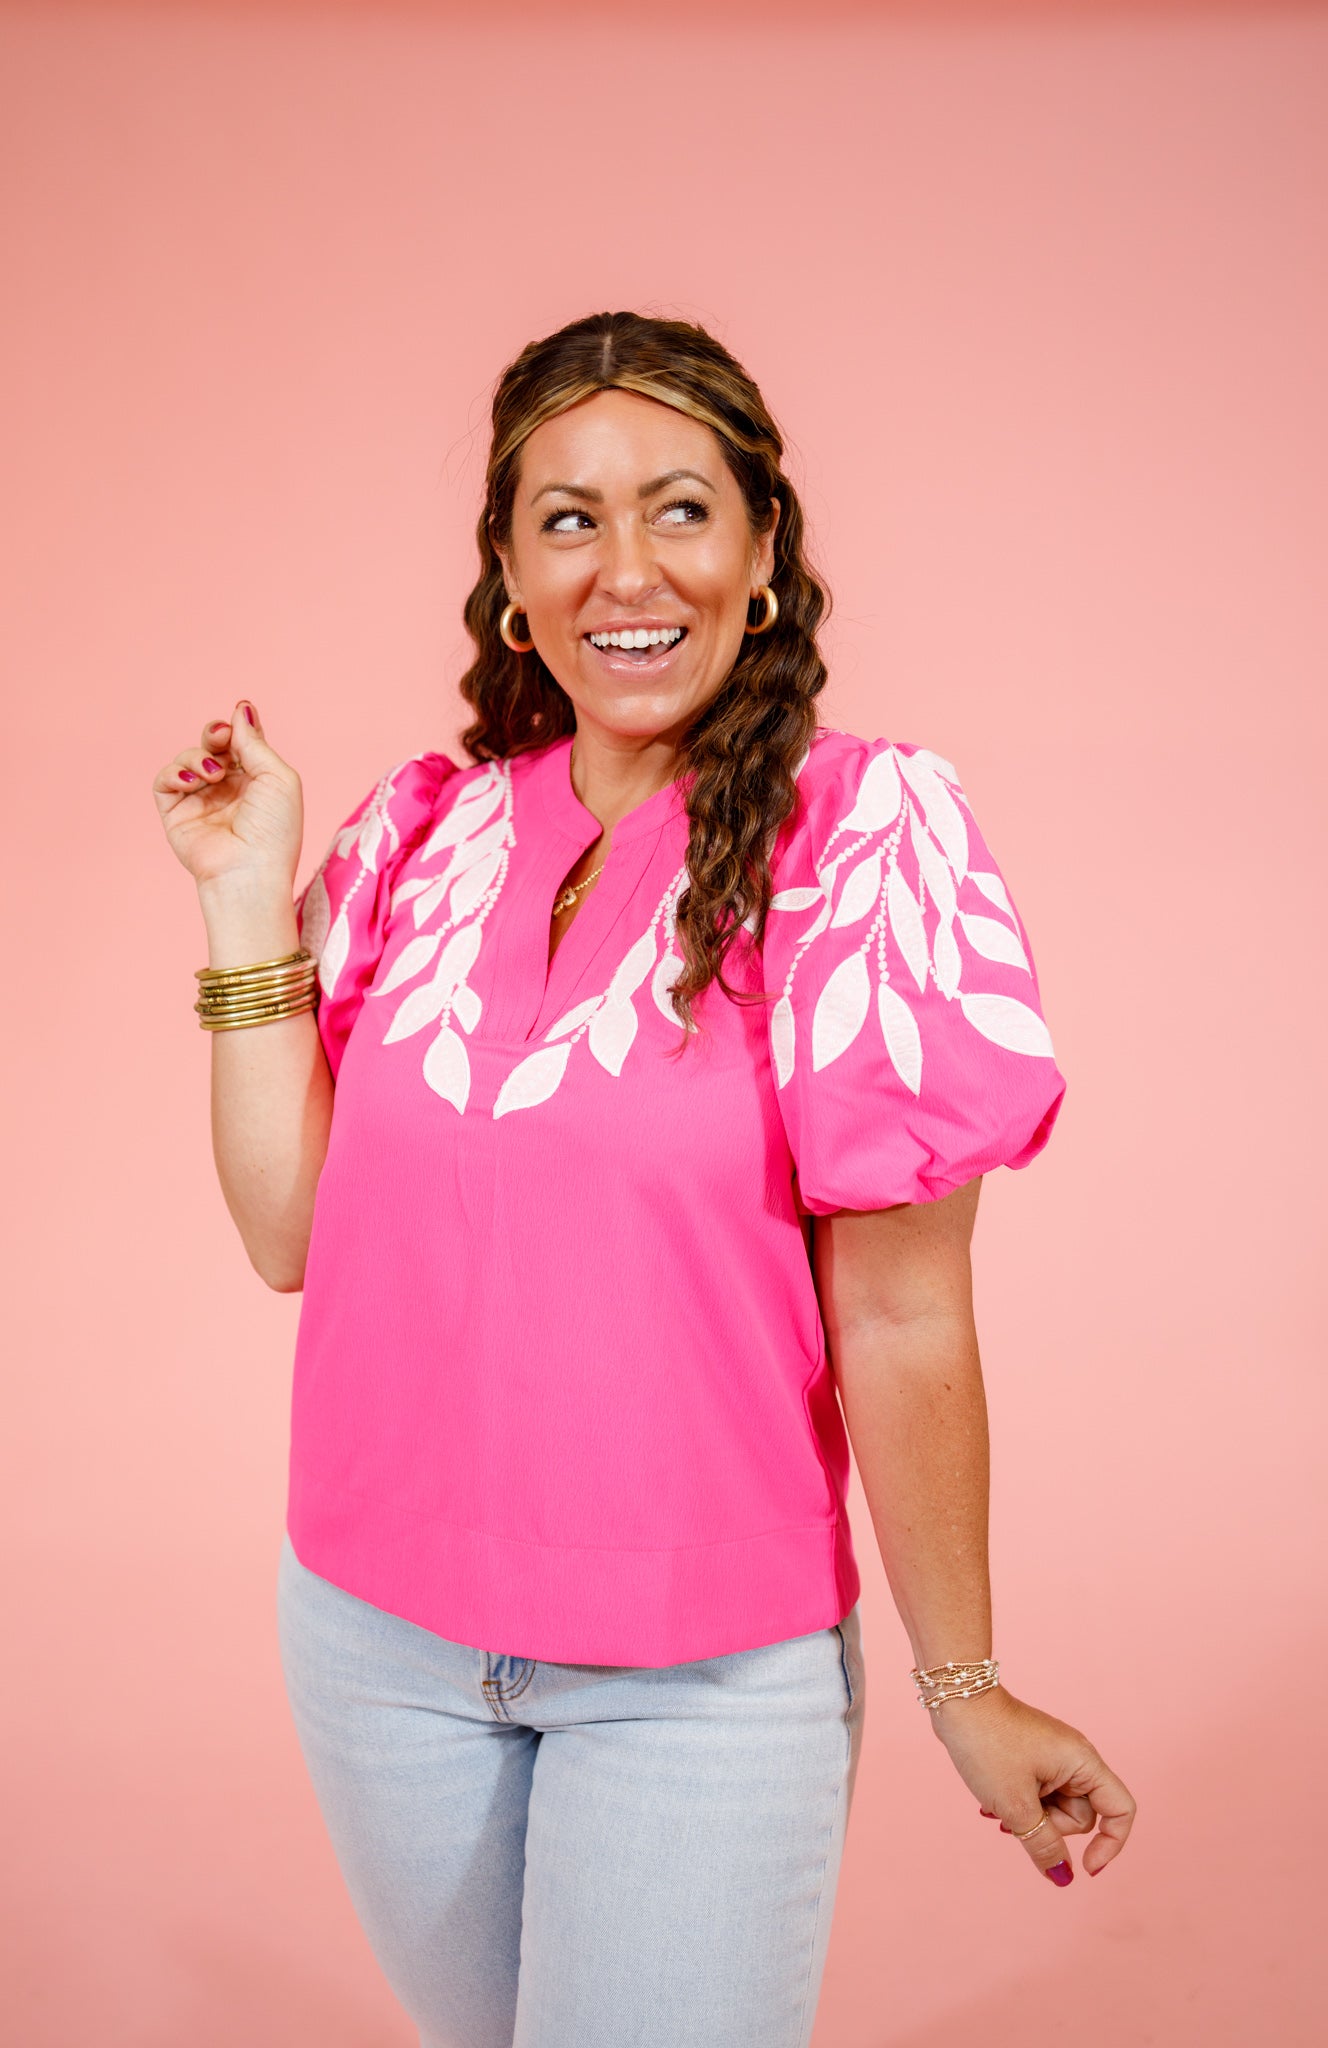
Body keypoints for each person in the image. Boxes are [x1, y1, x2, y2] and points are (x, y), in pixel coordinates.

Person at [152, 309, 1135, 2048]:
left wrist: (962, 1685)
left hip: (700, 1680)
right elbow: (292, 1234)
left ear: (761, 557)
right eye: (569, 518)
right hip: (375, 1647)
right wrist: (245, 904)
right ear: (510, 582)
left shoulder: (859, 839)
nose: (627, 567)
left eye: (681, 508)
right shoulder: (417, 833)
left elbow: (903, 1314)